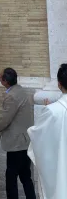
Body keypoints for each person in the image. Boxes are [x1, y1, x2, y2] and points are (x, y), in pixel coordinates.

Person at [0, 68, 36, 199]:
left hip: (16, 145)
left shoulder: (11, 96)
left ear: (5, 81)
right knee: (26, 177)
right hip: (25, 141)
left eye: (0, 77)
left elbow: (4, 120)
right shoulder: (20, 90)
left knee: (11, 179)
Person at [28, 63, 67, 199]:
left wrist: (45, 114)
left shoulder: (52, 111)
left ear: (59, 84)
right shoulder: (53, 110)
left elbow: (39, 136)